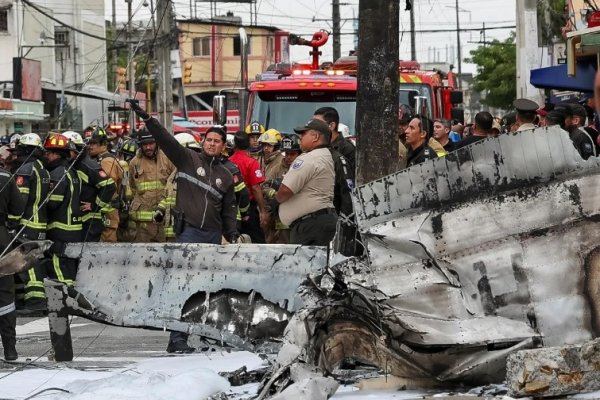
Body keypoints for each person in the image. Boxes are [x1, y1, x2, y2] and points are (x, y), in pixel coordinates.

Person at [130, 101, 239, 354]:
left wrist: (232, 233)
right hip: (188, 233)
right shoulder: (187, 159)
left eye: (217, 141)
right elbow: (165, 139)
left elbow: (229, 210)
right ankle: (177, 340)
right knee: (184, 286)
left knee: (208, 288)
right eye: (209, 140)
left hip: (212, 236)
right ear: (203, 141)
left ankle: (205, 336)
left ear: (224, 146)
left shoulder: (226, 175)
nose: (212, 144)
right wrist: (148, 118)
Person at [274, 119, 337, 246]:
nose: (300, 138)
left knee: (305, 265)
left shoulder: (308, 158)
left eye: (303, 134)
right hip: (321, 221)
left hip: (309, 226)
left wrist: (276, 198)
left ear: (315, 137)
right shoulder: (326, 156)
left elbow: (285, 191)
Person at [9, 134, 50, 311]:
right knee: (35, 261)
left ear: (25, 149)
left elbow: (20, 199)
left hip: (27, 224)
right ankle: (30, 300)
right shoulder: (43, 169)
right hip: (41, 223)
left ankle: (35, 302)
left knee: (29, 263)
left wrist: (12, 222)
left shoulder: (25, 170)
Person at [41, 134, 83, 300]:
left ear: (56, 154)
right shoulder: (72, 172)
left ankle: (66, 300)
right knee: (70, 268)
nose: (47, 156)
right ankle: (74, 299)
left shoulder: (57, 173)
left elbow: (53, 202)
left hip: (60, 229)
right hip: (74, 229)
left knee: (59, 266)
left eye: (49, 153)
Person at [63, 131, 116, 243]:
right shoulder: (73, 164)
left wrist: (94, 205)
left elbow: (109, 186)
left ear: (75, 149)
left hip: (90, 221)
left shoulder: (88, 166)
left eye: (67, 151)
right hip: (79, 220)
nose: (64, 154)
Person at [128, 128, 175, 243]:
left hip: (165, 218)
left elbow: (175, 186)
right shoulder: (134, 163)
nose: (148, 147)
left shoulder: (168, 159)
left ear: (157, 143)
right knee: (144, 255)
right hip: (144, 223)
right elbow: (133, 187)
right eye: (145, 144)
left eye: (151, 143)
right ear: (140, 145)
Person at [0, 161, 26, 360]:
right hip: (2, 240)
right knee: (5, 294)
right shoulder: (6, 176)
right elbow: (18, 209)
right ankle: (10, 349)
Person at [229, 131, 268, 244]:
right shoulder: (251, 163)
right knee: (258, 242)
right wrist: (263, 210)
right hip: (249, 210)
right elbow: (255, 187)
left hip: (231, 209)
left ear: (235, 144)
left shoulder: (228, 162)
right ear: (248, 144)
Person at [263, 134, 303, 244]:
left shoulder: (304, 168)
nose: (288, 157)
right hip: (280, 216)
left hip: (301, 215)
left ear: (299, 154)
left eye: (292, 154)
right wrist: (275, 194)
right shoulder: (276, 169)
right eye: (287, 154)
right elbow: (264, 186)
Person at [86, 128, 124, 242]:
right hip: (103, 211)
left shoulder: (106, 161)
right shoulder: (100, 159)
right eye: (89, 143)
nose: (90, 146)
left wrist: (94, 205)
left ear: (103, 144)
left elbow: (108, 188)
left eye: (93, 143)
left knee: (107, 246)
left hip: (108, 213)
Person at [313, 107, 356, 172]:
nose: (313, 127)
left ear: (332, 125)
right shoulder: (315, 146)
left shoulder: (347, 149)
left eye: (318, 124)